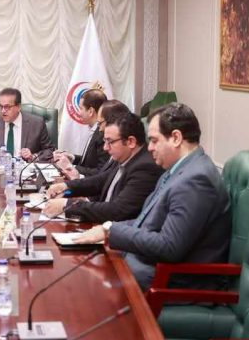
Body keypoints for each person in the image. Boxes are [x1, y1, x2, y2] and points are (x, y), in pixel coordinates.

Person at [72, 103, 231, 290]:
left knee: (86, 284)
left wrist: (110, 231)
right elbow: (146, 220)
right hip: (147, 265)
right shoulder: (179, 169)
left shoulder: (196, 180)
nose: (150, 148)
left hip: (172, 282)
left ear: (176, 138)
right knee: (84, 269)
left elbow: (169, 246)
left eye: (154, 141)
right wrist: (107, 229)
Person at [43, 112, 163, 223]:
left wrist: (67, 205)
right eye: (105, 141)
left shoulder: (146, 168)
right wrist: (66, 187)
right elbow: (100, 181)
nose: (105, 147)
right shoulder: (125, 157)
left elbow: (117, 211)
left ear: (130, 141)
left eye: (110, 142)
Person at [0, 87, 54, 161]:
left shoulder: (37, 123)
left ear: (18, 107)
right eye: (1, 106)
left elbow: (49, 150)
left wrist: (33, 156)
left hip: (26, 169)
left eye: (7, 107)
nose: (3, 111)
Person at [53, 88, 109, 176]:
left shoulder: (103, 135)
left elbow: (101, 172)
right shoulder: (95, 130)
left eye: (81, 108)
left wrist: (70, 166)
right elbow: (89, 162)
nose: (79, 113)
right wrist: (72, 158)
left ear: (90, 111)